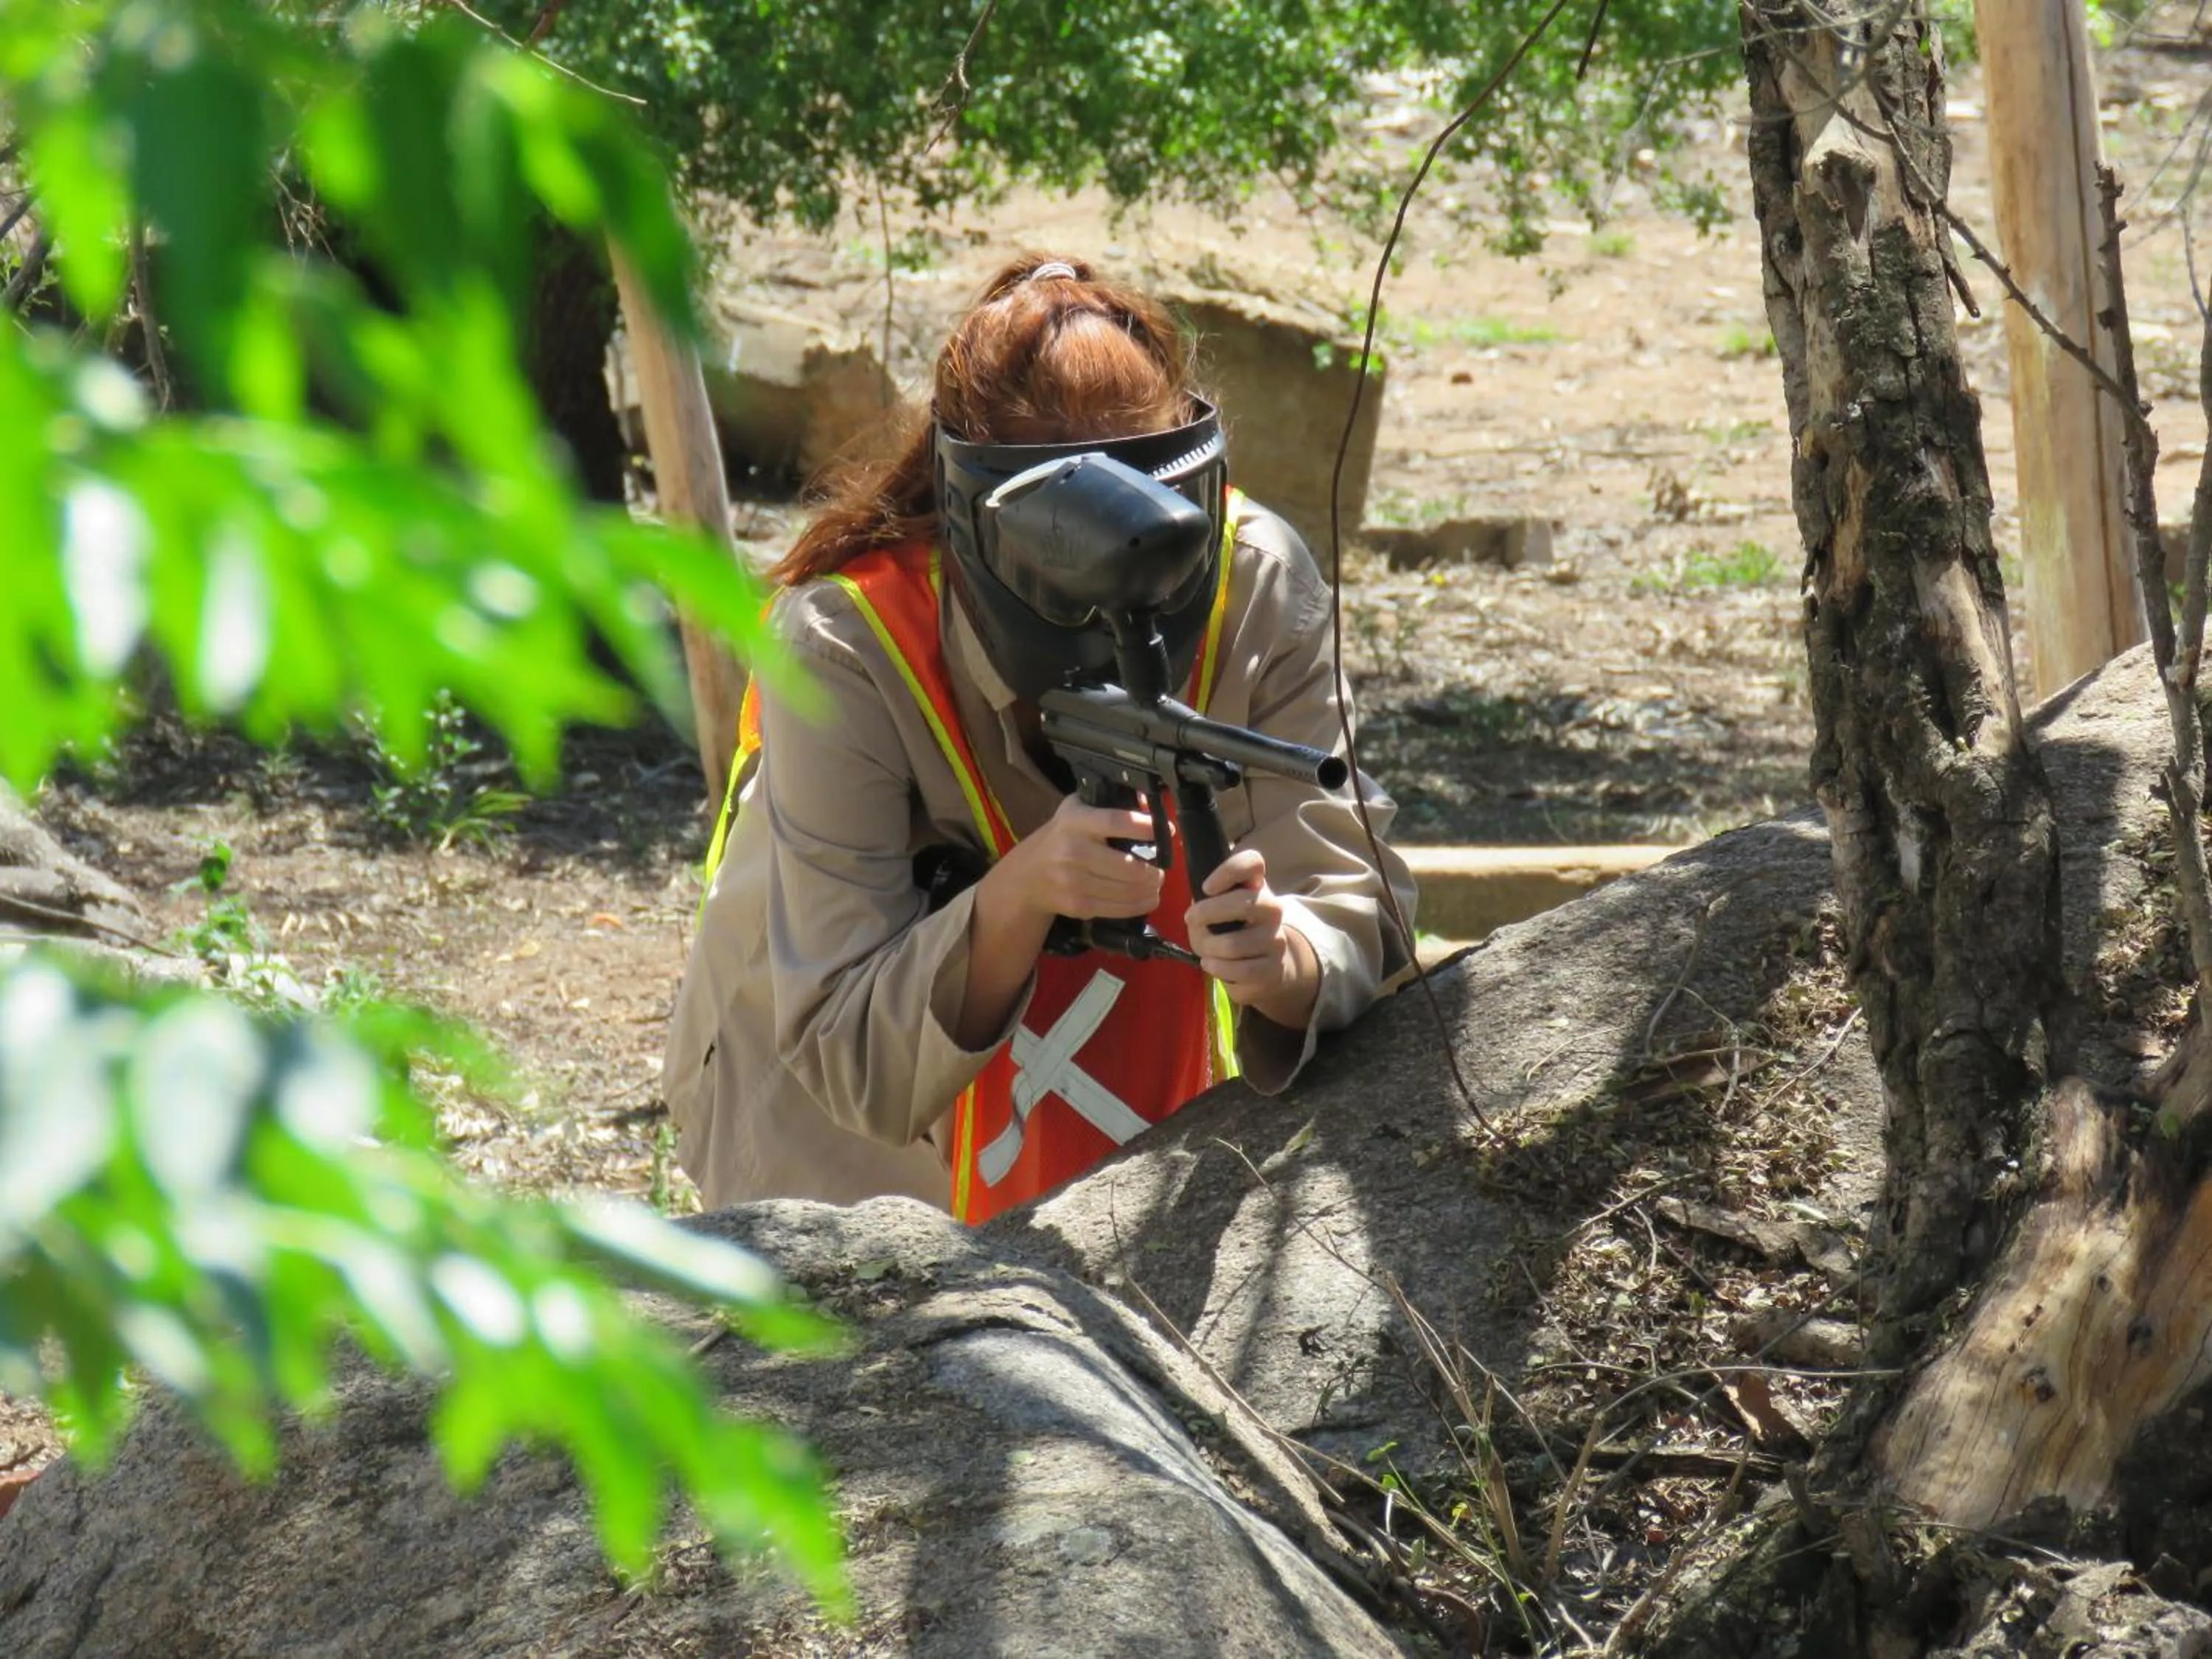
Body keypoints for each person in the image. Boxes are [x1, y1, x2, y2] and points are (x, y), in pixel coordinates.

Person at [662, 252, 1417, 1224]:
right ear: (973, 520)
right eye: (1069, 548)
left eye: (1153, 528)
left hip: (1122, 1110)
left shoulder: (1256, 581)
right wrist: (1022, 892)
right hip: (829, 1123)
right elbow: (847, 1054)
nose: (1124, 581)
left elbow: (1351, 889)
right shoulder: (849, 643)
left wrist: (1289, 961)